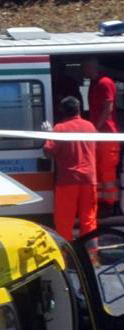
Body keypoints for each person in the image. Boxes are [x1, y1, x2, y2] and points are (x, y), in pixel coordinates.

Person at [43, 96, 97, 241]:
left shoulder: (59, 129)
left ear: (62, 111)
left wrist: (47, 135)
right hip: (89, 179)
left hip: (68, 180)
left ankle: (67, 255)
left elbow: (48, 152)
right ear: (79, 109)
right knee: (89, 219)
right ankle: (91, 256)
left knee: (64, 221)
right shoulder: (90, 126)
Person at [82, 58, 121, 217]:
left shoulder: (105, 82)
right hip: (98, 134)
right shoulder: (94, 84)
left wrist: (95, 129)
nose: (83, 72)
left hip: (107, 134)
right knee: (97, 169)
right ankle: (100, 203)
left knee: (107, 171)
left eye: (85, 68)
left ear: (93, 68)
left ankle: (111, 205)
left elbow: (108, 108)